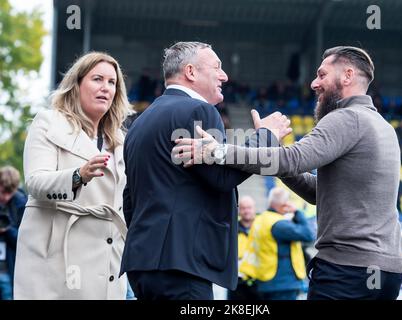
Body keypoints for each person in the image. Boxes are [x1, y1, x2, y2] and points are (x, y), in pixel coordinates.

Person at [174, 46, 402, 300]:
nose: (314, 83)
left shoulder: (346, 118)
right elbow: (320, 192)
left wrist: (216, 151)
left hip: (347, 270)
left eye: (322, 74)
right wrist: (275, 150)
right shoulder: (383, 128)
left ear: (347, 75)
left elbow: (292, 160)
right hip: (387, 271)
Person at [120, 41, 290, 300]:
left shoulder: (140, 122)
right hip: (182, 263)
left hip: (141, 261)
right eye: (217, 67)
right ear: (190, 72)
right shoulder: (199, 110)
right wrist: (266, 137)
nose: (225, 76)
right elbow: (222, 176)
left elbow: (129, 198)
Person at [14, 52, 131, 299]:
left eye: (112, 83)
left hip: (108, 259)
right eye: (97, 79)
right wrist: (78, 176)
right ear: (76, 85)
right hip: (57, 258)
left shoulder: (121, 140)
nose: (106, 88)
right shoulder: (48, 123)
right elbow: (35, 183)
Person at [240, 188, 313, 300]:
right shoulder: (278, 224)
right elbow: (308, 235)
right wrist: (297, 212)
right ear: (284, 204)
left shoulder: (260, 219)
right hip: (282, 283)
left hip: (266, 280)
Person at [0, 166, 27, 300]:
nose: (4, 197)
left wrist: (7, 230)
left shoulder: (21, 204)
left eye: (8, 193)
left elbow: (26, 242)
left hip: (9, 269)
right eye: (2, 191)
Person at [227, 195, 261, 300]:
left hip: (260, 280)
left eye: (249, 207)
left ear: (254, 208)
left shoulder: (263, 226)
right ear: (238, 210)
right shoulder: (231, 228)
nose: (246, 211)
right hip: (237, 282)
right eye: (243, 208)